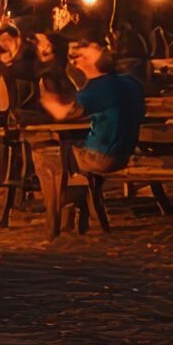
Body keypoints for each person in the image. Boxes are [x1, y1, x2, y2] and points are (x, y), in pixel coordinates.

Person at [30, 33, 148, 238]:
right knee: (66, 154)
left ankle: (53, 226)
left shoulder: (100, 87)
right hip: (124, 150)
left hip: (104, 156)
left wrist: (44, 95)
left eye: (80, 56)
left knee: (43, 155)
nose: (74, 59)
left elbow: (64, 113)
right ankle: (75, 213)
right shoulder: (128, 81)